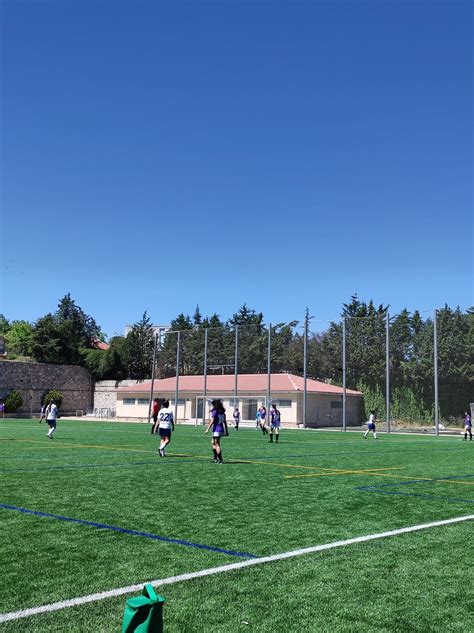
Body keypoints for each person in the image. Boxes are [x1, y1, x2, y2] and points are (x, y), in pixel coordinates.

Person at [205, 399, 228, 463]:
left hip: (216, 430)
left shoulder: (215, 411)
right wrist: (226, 431)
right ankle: (215, 457)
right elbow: (225, 422)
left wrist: (207, 429)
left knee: (217, 444)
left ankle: (220, 459)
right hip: (220, 429)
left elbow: (212, 421)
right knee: (212, 442)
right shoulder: (222, 412)